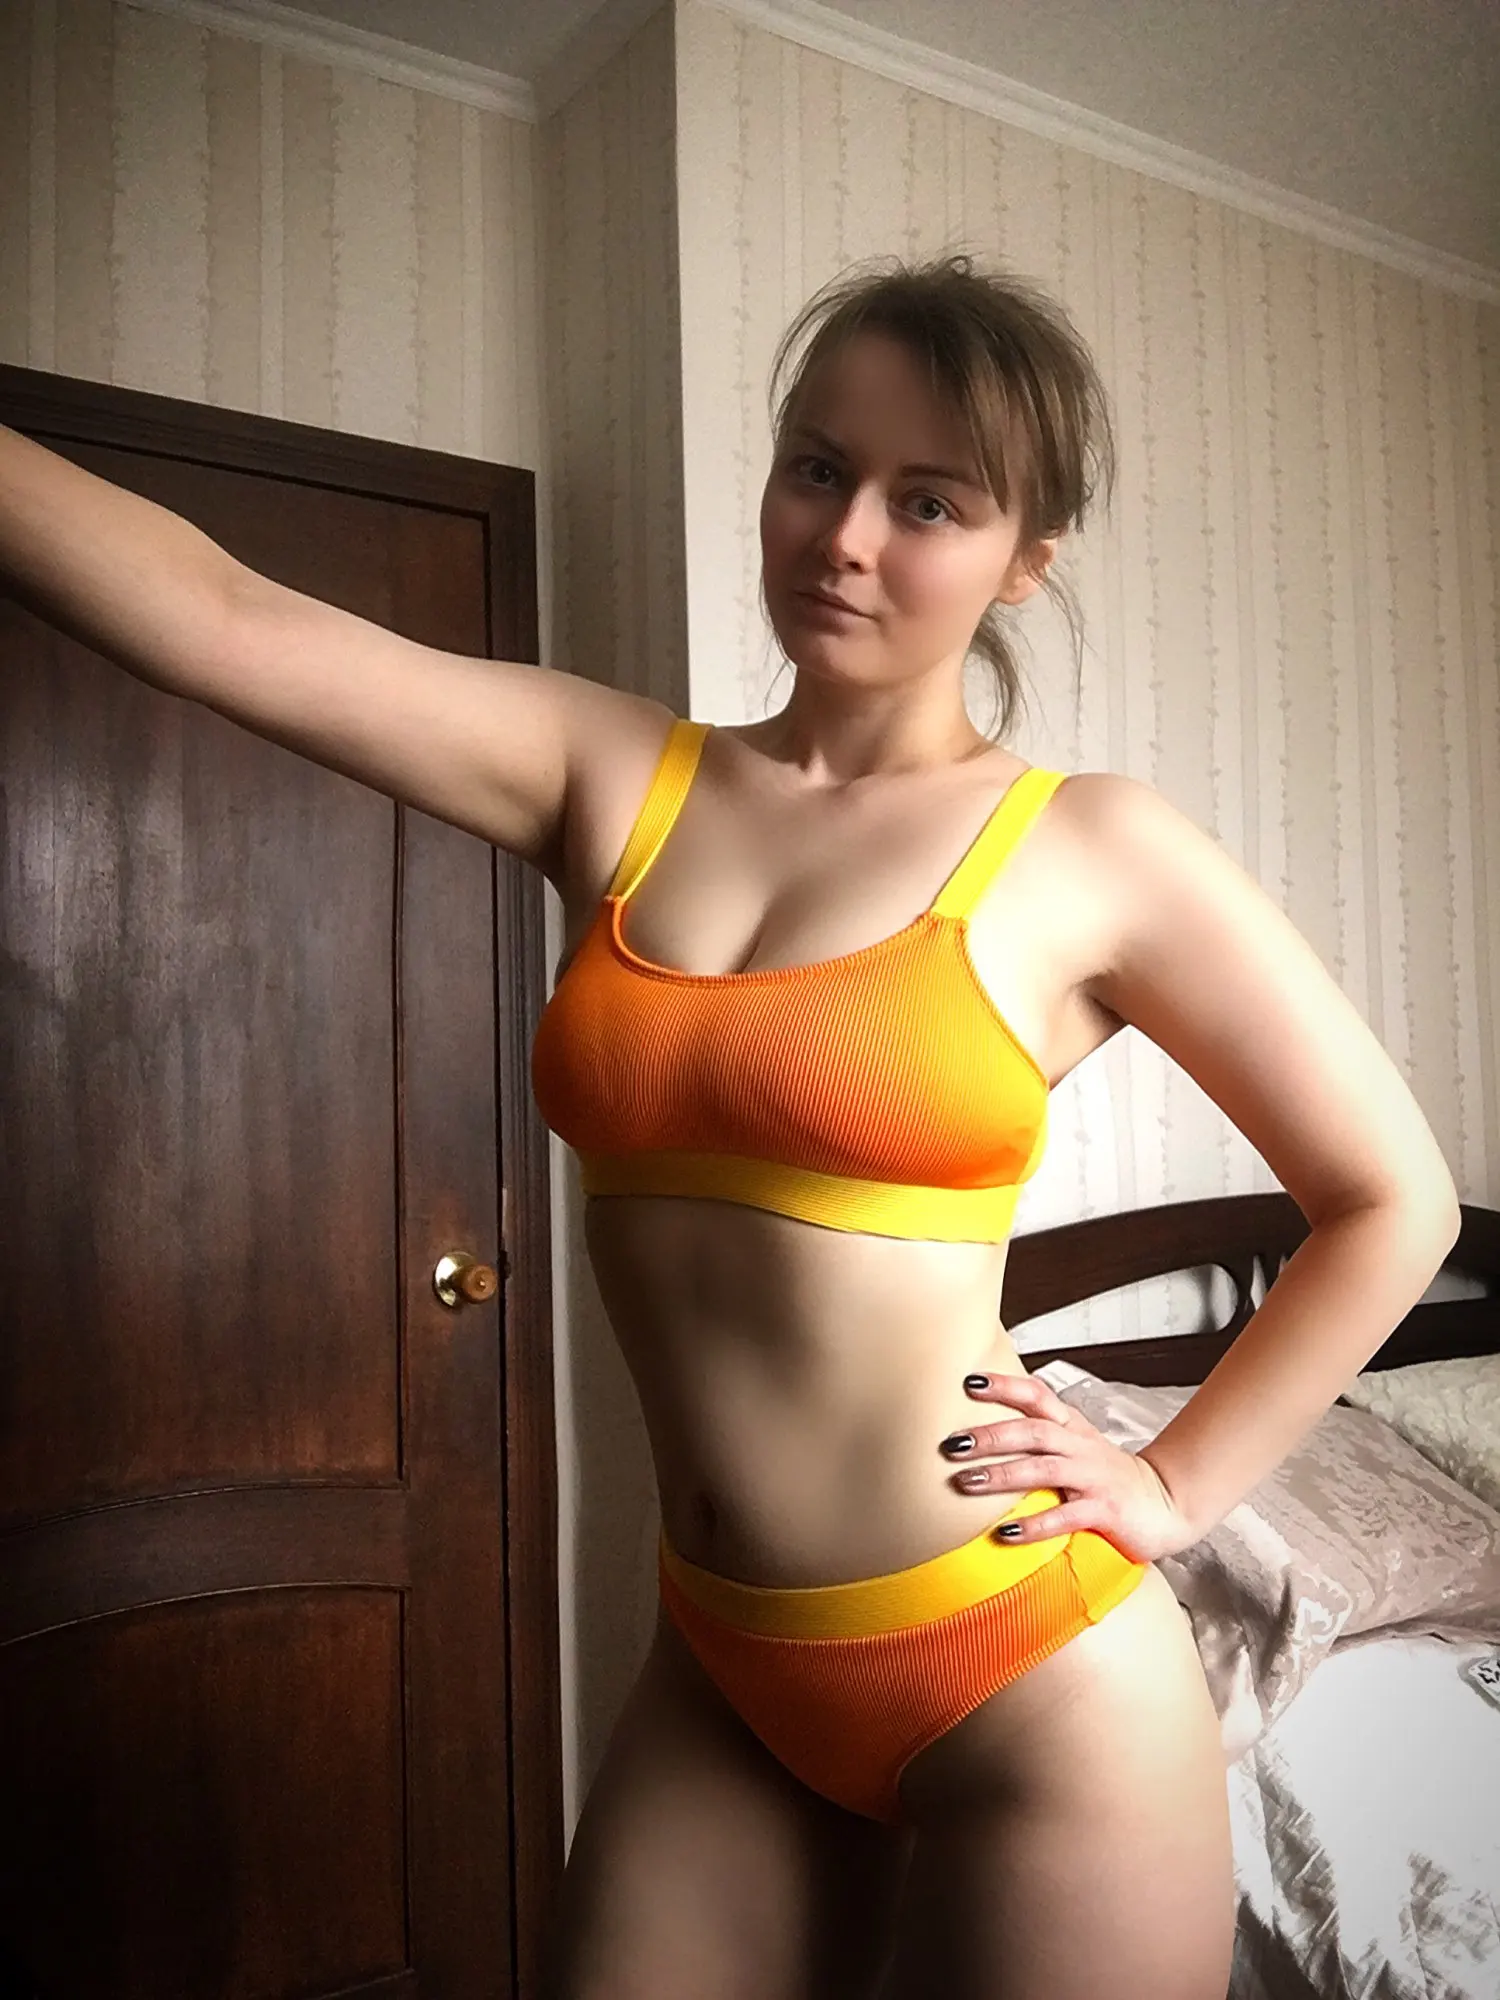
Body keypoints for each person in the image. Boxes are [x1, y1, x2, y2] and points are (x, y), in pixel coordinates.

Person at [0, 252, 1460, 2000]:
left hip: (1021, 1671)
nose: (844, 537)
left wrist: (1169, 1481)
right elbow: (226, 620)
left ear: (1027, 557)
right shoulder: (614, 774)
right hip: (723, 1663)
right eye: (817, 469)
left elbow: (1394, 1199)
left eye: (930, 502)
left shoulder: (1094, 850)